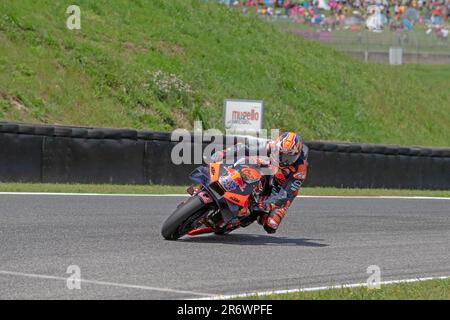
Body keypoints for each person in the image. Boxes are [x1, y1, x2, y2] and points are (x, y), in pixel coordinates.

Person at [210, 132, 308, 234]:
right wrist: (224, 153)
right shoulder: (270, 146)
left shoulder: (300, 171)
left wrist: (267, 203)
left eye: (289, 158)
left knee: (270, 224)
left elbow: (284, 195)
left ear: (297, 155)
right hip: (267, 172)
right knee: (246, 163)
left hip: (281, 189)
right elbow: (244, 148)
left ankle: (243, 218)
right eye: (281, 154)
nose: (284, 160)